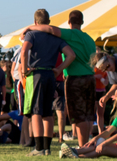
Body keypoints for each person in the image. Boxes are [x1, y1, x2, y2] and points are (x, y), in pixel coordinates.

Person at [23, 10, 97, 146]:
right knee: (88, 114)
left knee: (79, 114)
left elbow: (50, 29)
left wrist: (30, 28)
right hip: (90, 78)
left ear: (69, 22)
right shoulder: (89, 39)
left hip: (76, 78)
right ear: (82, 22)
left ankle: (81, 146)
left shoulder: (71, 34)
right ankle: (85, 144)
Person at [16, 10, 75, 156]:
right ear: (48, 22)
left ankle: (39, 148)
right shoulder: (55, 37)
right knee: (48, 112)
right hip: (50, 74)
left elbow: (24, 51)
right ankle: (47, 147)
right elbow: (71, 55)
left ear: (35, 22)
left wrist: (24, 70)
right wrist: (59, 69)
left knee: (36, 111)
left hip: (37, 73)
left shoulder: (32, 34)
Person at [61, 92, 117, 159]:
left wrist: (104, 144)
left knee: (103, 149)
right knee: (98, 142)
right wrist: (95, 139)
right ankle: (74, 151)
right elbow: (108, 132)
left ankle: (77, 156)